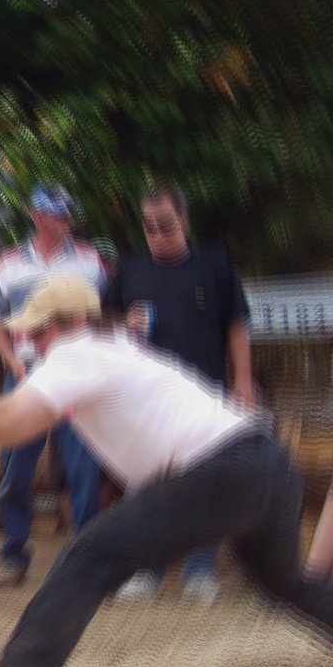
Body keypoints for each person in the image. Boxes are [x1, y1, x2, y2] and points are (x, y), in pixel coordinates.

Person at [0, 275, 333, 667]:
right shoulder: (119, 348)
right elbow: (25, 421)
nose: (30, 339)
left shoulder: (77, 350)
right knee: (286, 584)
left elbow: (13, 421)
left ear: (77, 321)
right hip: (269, 464)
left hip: (223, 468)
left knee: (90, 555)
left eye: (40, 329)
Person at [104, 183, 255, 603]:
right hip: (146, 398)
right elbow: (100, 329)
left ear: (184, 220)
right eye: (149, 226)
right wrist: (122, 326)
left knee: (205, 485)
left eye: (165, 225)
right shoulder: (129, 270)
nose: (157, 233)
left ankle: (200, 571)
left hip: (206, 396)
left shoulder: (215, 264)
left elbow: (237, 325)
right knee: (146, 485)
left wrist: (243, 380)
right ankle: (143, 573)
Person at [0, 185, 106, 587]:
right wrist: (13, 364)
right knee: (15, 467)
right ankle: (13, 555)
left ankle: (85, 563)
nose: (69, 220)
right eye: (60, 214)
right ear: (37, 216)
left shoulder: (91, 261)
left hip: (76, 378)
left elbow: (103, 318)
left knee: (84, 468)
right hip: (28, 378)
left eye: (70, 213)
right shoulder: (9, 263)